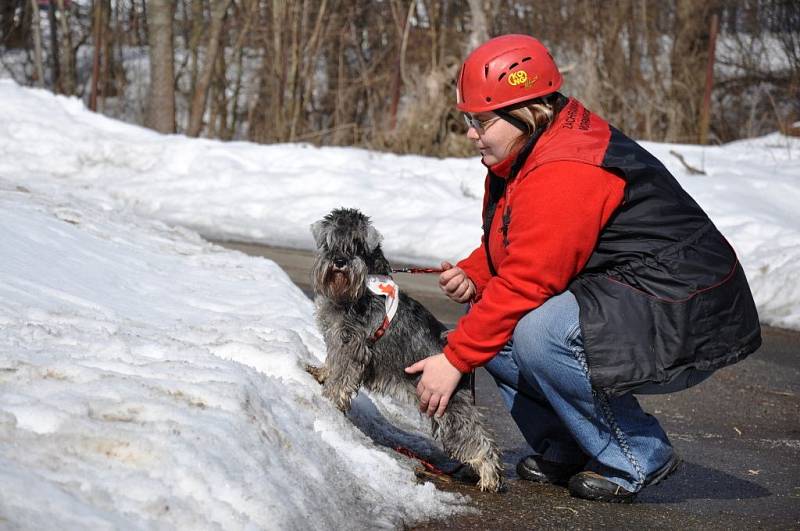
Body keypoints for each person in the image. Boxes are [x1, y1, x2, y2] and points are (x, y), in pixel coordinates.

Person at [404, 34, 761, 503]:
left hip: (689, 307)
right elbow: (526, 242)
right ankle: (571, 447)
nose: (471, 132)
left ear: (525, 110)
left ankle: (636, 453)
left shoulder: (566, 166)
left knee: (538, 331)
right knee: (490, 323)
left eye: (480, 120)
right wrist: (477, 272)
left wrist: (454, 359)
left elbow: (531, 279)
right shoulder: (526, 148)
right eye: (468, 119)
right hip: (636, 291)